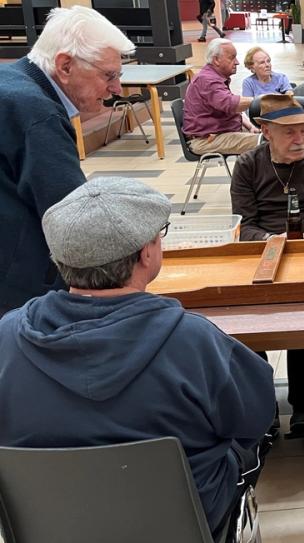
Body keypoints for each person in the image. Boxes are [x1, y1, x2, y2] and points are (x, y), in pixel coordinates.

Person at [0, 176, 276, 538]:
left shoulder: (8, 337)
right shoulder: (192, 340)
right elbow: (255, 415)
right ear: (147, 252)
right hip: (184, 523)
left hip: (50, 527)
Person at [0, 6, 133, 314]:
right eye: (109, 75)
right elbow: (75, 218)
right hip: (19, 293)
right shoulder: (36, 112)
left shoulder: (10, 83)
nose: (116, 89)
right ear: (65, 66)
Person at [231, 94, 304, 434]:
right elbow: (244, 226)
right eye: (290, 133)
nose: (300, 140)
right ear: (266, 131)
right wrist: (270, 243)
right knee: (249, 321)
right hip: (261, 257)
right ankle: (262, 403)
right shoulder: (248, 165)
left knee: (301, 314)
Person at [183, 39, 259, 156]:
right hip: (205, 140)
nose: (237, 62)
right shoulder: (207, 80)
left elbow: (231, 109)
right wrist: (263, 100)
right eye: (232, 58)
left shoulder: (215, 78)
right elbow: (232, 104)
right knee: (269, 141)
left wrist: (250, 126)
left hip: (221, 133)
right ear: (216, 60)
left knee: (273, 134)